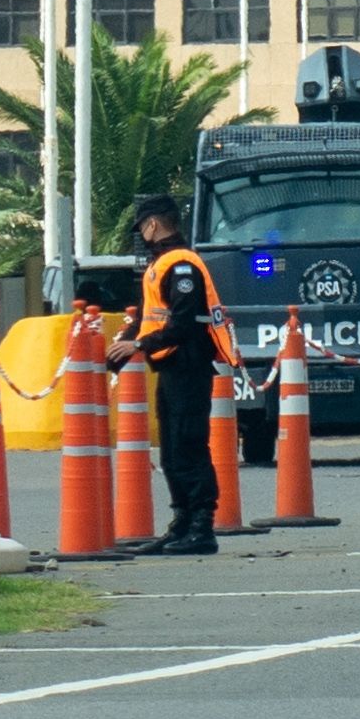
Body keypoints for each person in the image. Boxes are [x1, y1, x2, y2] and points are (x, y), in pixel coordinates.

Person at [122, 195, 225, 554]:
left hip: (189, 365)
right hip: (170, 366)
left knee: (187, 445)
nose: (142, 235)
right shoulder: (161, 264)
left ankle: (201, 527)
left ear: (153, 224)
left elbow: (183, 324)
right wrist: (126, 343)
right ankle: (181, 523)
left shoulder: (182, 265)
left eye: (142, 228)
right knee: (170, 451)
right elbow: (152, 317)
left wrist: (138, 346)